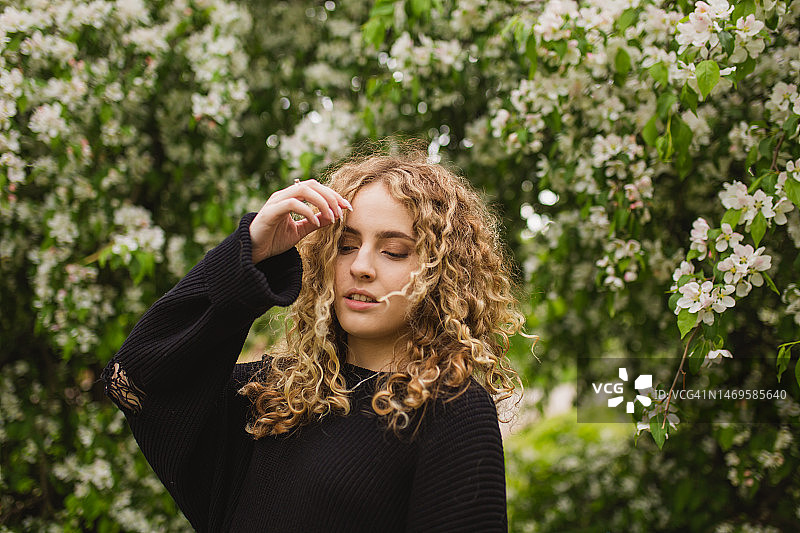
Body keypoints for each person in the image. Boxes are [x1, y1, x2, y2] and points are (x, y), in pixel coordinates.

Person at [102, 150, 529, 532]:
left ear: (440, 273)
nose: (361, 266)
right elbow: (137, 380)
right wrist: (248, 253)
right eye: (346, 246)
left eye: (394, 251)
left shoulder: (449, 410)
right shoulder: (274, 396)